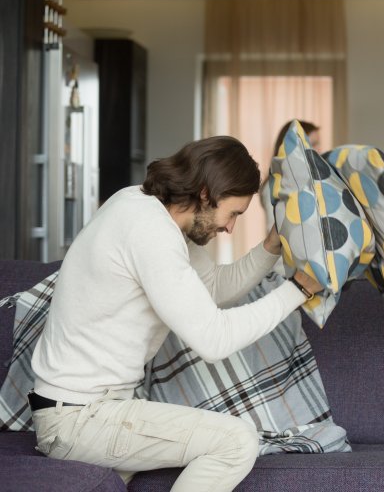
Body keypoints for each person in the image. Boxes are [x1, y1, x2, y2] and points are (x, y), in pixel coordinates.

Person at [29, 135, 323, 491]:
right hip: (79, 418)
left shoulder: (146, 207)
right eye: (233, 214)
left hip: (89, 411)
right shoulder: (150, 231)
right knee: (236, 441)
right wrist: (298, 290)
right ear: (205, 193)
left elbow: (213, 288)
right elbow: (214, 340)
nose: (230, 228)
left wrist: (270, 248)